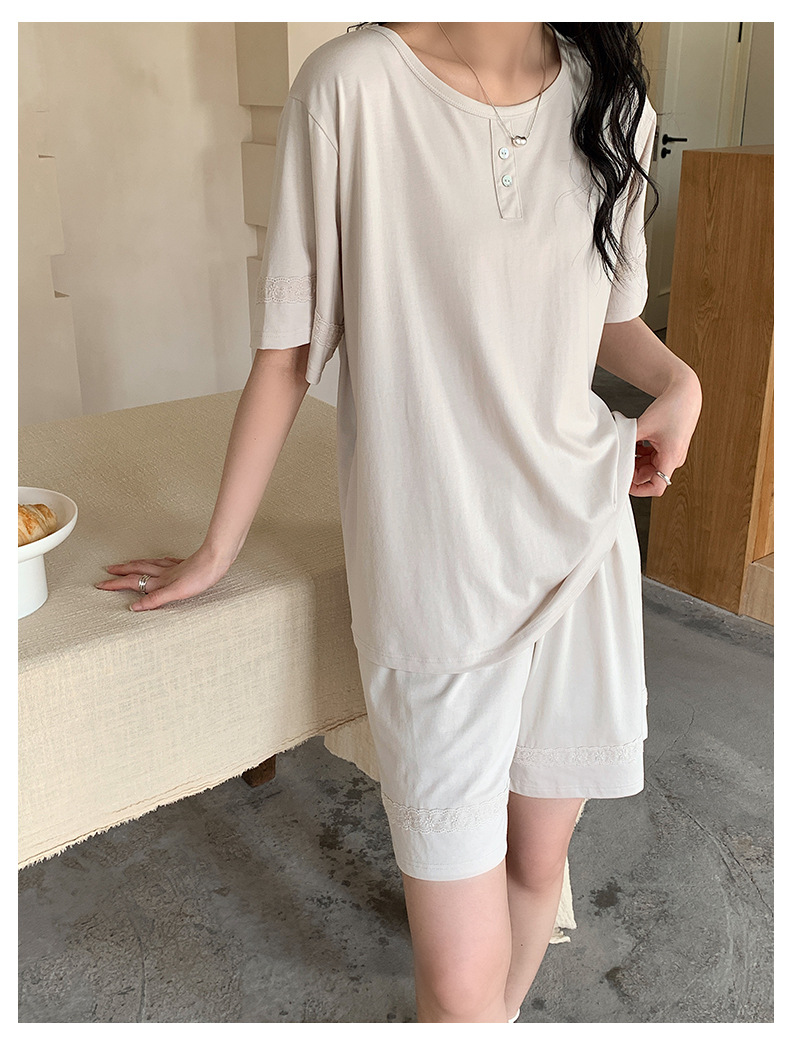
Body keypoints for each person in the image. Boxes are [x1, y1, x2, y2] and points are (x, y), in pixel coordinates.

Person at [96, 22, 703, 1024]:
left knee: (535, 871)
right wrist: (216, 549)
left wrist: (679, 379)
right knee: (457, 986)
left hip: (583, 541)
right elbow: (291, 348)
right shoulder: (351, 87)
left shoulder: (615, 102)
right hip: (434, 582)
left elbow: (602, 310)